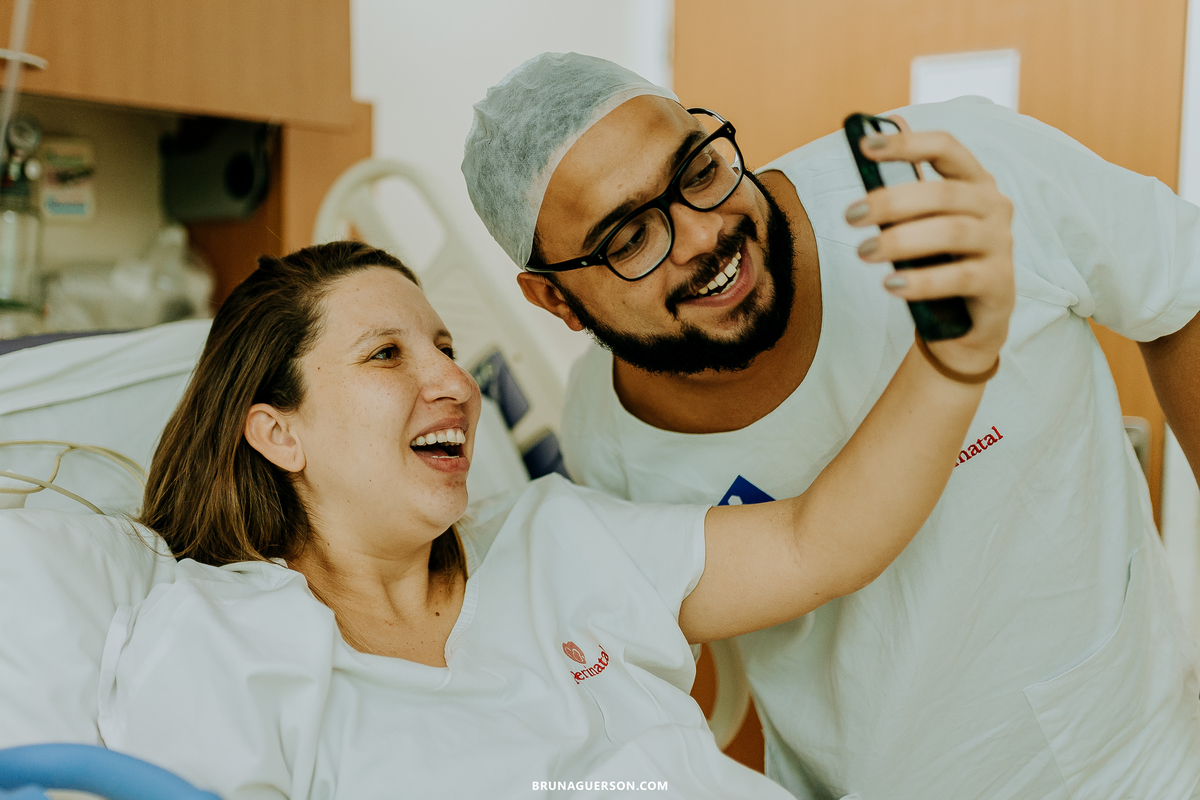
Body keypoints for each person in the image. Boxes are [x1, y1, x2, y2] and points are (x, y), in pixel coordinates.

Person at [461, 52, 1200, 799]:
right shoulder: (607, 433)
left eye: (698, 170)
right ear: (555, 301)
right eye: (629, 240)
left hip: (1132, 755)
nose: (702, 234)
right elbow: (712, 665)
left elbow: (1181, 294)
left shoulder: (947, 181)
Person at [97, 240, 1009, 799]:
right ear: (277, 432)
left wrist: (956, 356)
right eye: (387, 355)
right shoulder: (219, 638)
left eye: (447, 348)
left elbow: (817, 545)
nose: (453, 381)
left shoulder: (553, 539)